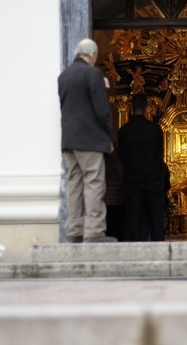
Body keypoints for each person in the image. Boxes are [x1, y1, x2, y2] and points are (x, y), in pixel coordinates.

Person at [58, 38, 117, 243]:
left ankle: (74, 231)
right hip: (89, 140)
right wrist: (110, 136)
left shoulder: (63, 76)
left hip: (69, 141)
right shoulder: (93, 73)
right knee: (94, 183)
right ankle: (94, 232)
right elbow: (101, 110)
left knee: (74, 184)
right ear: (92, 55)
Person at [118, 93, 165, 241]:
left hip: (132, 180)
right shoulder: (155, 129)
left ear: (131, 108)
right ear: (146, 108)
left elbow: (122, 155)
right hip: (153, 179)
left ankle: (134, 249)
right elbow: (159, 155)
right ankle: (159, 247)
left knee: (134, 217)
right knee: (156, 218)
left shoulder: (124, 131)